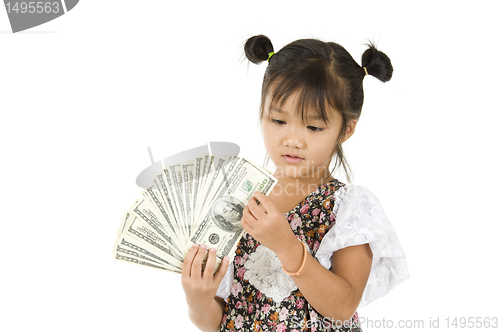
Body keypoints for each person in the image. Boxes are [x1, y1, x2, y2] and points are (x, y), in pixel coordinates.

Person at [181, 34, 409, 332]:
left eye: (313, 126)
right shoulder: (241, 198)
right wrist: (198, 302)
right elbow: (223, 318)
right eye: (278, 121)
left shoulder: (346, 207)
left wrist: (287, 245)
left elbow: (343, 307)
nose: (292, 140)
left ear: (346, 129)